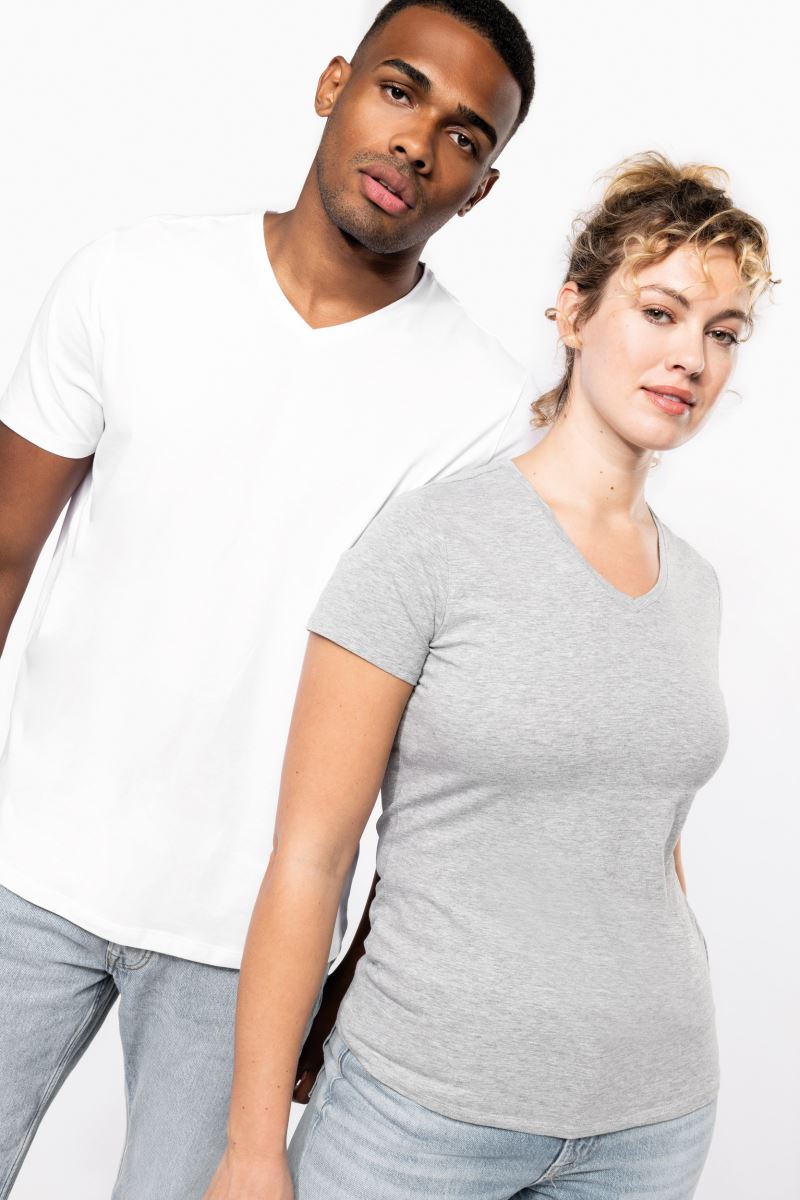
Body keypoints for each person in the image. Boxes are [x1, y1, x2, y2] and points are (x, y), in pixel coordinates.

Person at [0, 2, 537, 1196]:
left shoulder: (485, 414)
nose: (416, 144)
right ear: (333, 83)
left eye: (462, 136)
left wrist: (361, 964)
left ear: (483, 188)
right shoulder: (131, 279)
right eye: (398, 90)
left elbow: (443, 736)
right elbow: (4, 550)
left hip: (251, 948)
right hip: (23, 868)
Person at [206, 153, 773, 1200]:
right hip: (418, 1119)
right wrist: (250, 1148)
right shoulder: (427, 544)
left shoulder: (693, 583)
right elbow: (309, 860)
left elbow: (642, 836)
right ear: (574, 312)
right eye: (658, 312)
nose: (690, 357)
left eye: (723, 332)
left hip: (650, 1123)